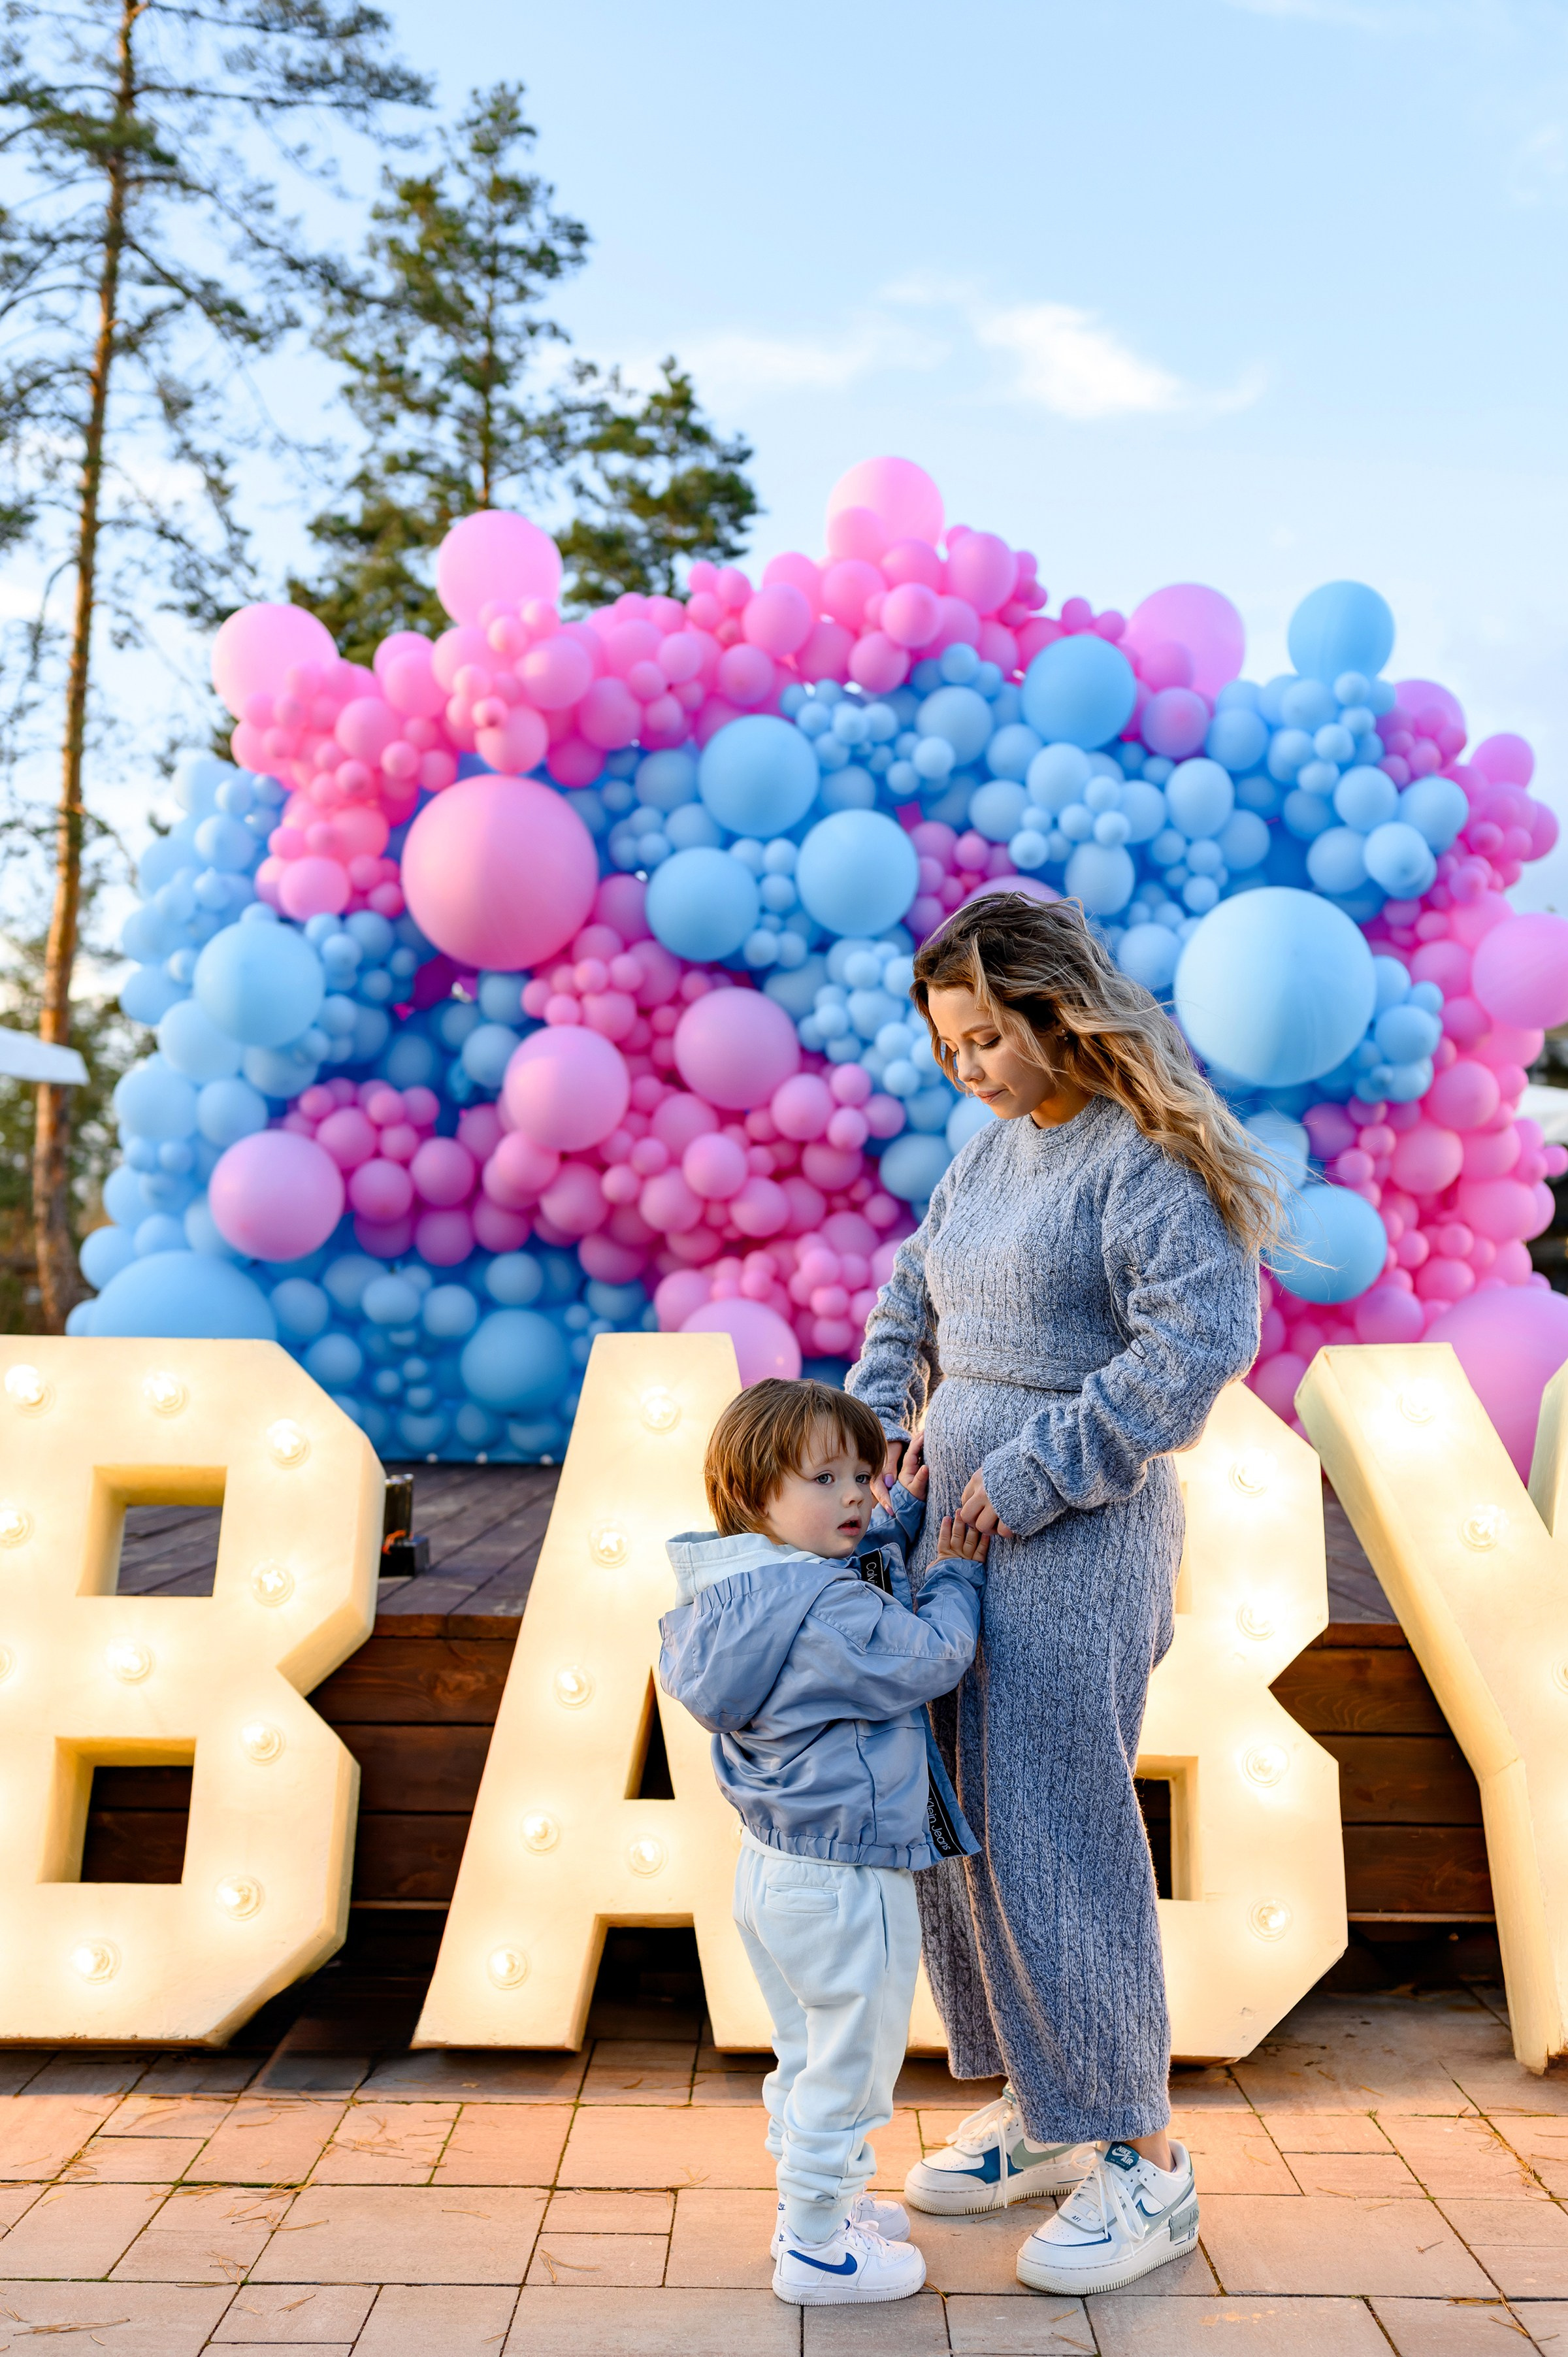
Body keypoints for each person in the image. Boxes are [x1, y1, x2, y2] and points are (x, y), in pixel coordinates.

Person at [845, 891, 1279, 2298]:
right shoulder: (984, 1160)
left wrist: (1034, 1471)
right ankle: (1050, 2109)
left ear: (1055, 1008)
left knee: (1053, 1821)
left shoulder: (1142, 1155)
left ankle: (1146, 2158)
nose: (967, 1065)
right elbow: (911, 1303)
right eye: (948, 1044)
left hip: (1074, 1538)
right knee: (961, 1820)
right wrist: (866, 1446)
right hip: (946, 1534)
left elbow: (1196, 1344)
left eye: (986, 1036)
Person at [658, 1377, 990, 2309]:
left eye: (861, 1474)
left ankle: (820, 2203)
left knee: (807, 2053)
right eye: (827, 1480)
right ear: (757, 1496)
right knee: (852, 2064)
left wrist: (895, 1518)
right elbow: (927, 1655)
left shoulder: (738, 1596)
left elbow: (831, 1581)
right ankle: (816, 2248)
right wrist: (956, 1570)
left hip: (772, 1872)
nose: (856, 1495)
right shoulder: (832, 1613)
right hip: (848, 1877)